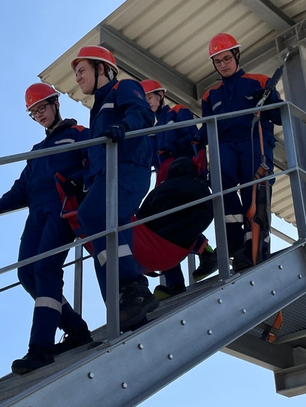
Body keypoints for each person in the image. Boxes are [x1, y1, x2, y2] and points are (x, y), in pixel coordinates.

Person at [0, 83, 93, 375]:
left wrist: (78, 181)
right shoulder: (36, 151)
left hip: (62, 210)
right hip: (36, 215)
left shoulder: (78, 134)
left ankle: (40, 348)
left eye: (42, 108)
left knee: (45, 270)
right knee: (26, 272)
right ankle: (76, 329)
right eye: (33, 112)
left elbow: (96, 162)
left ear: (55, 103)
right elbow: (22, 187)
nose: (39, 115)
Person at [71, 45, 157, 331]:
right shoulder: (95, 112)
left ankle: (134, 286)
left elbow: (143, 113)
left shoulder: (124, 87)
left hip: (128, 168)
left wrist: (124, 126)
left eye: (82, 70)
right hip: (105, 175)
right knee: (110, 233)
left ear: (102, 69)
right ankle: (127, 310)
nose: (78, 78)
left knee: (91, 217)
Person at [201, 33, 282, 271]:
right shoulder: (210, 95)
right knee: (218, 183)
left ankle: (255, 249)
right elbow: (206, 130)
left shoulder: (259, 82)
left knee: (255, 193)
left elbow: (279, 117)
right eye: (218, 61)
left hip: (254, 143)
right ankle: (234, 241)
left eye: (226, 58)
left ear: (236, 56)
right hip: (225, 145)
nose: (223, 65)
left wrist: (267, 102)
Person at [140, 80, 218, 299]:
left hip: (184, 174)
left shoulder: (178, 112)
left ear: (160, 95)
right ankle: (175, 281)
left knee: (178, 220)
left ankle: (206, 254)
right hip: (164, 181)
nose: (148, 104)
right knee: (157, 225)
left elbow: (193, 136)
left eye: (150, 98)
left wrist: (171, 148)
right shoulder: (151, 130)